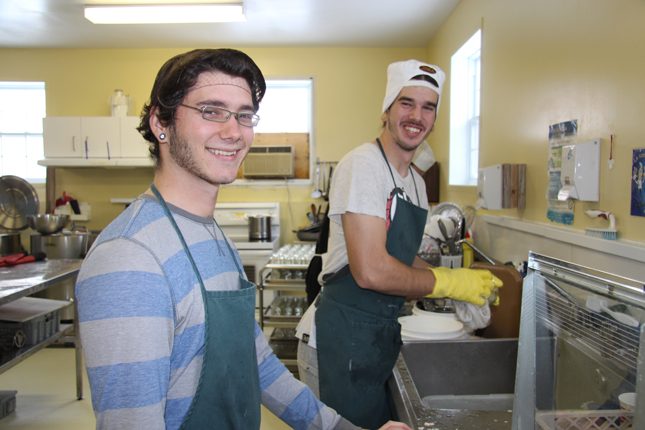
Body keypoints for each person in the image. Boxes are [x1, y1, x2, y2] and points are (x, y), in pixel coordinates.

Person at [75, 48, 412, 430]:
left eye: (244, 115)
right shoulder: (129, 259)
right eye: (211, 111)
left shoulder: (217, 239)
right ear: (160, 123)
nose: (234, 131)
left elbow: (259, 366)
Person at [295, 59, 503, 429]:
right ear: (387, 109)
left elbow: (402, 260)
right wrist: (447, 283)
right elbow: (372, 270)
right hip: (338, 343)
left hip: (374, 344)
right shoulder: (363, 165)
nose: (416, 116)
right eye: (406, 103)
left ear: (435, 118)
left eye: (428, 107)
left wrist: (455, 283)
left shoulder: (416, 185)